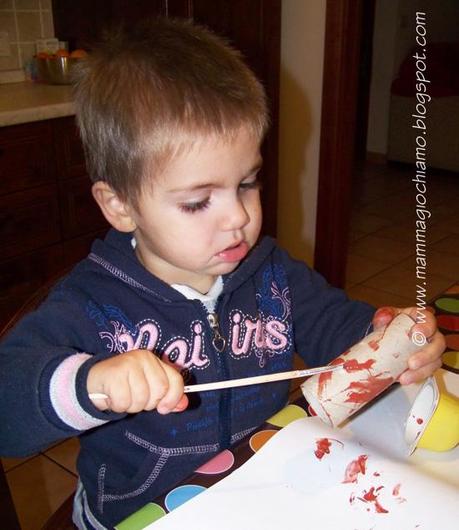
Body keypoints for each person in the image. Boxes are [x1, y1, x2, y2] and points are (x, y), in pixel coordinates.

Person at [0, 17, 444, 529]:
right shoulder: (90, 302)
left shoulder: (270, 270)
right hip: (138, 515)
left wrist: (389, 342)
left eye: (248, 183)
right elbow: (8, 412)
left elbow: (338, 328)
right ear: (119, 206)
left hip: (260, 486)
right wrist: (90, 384)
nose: (238, 218)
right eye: (197, 202)